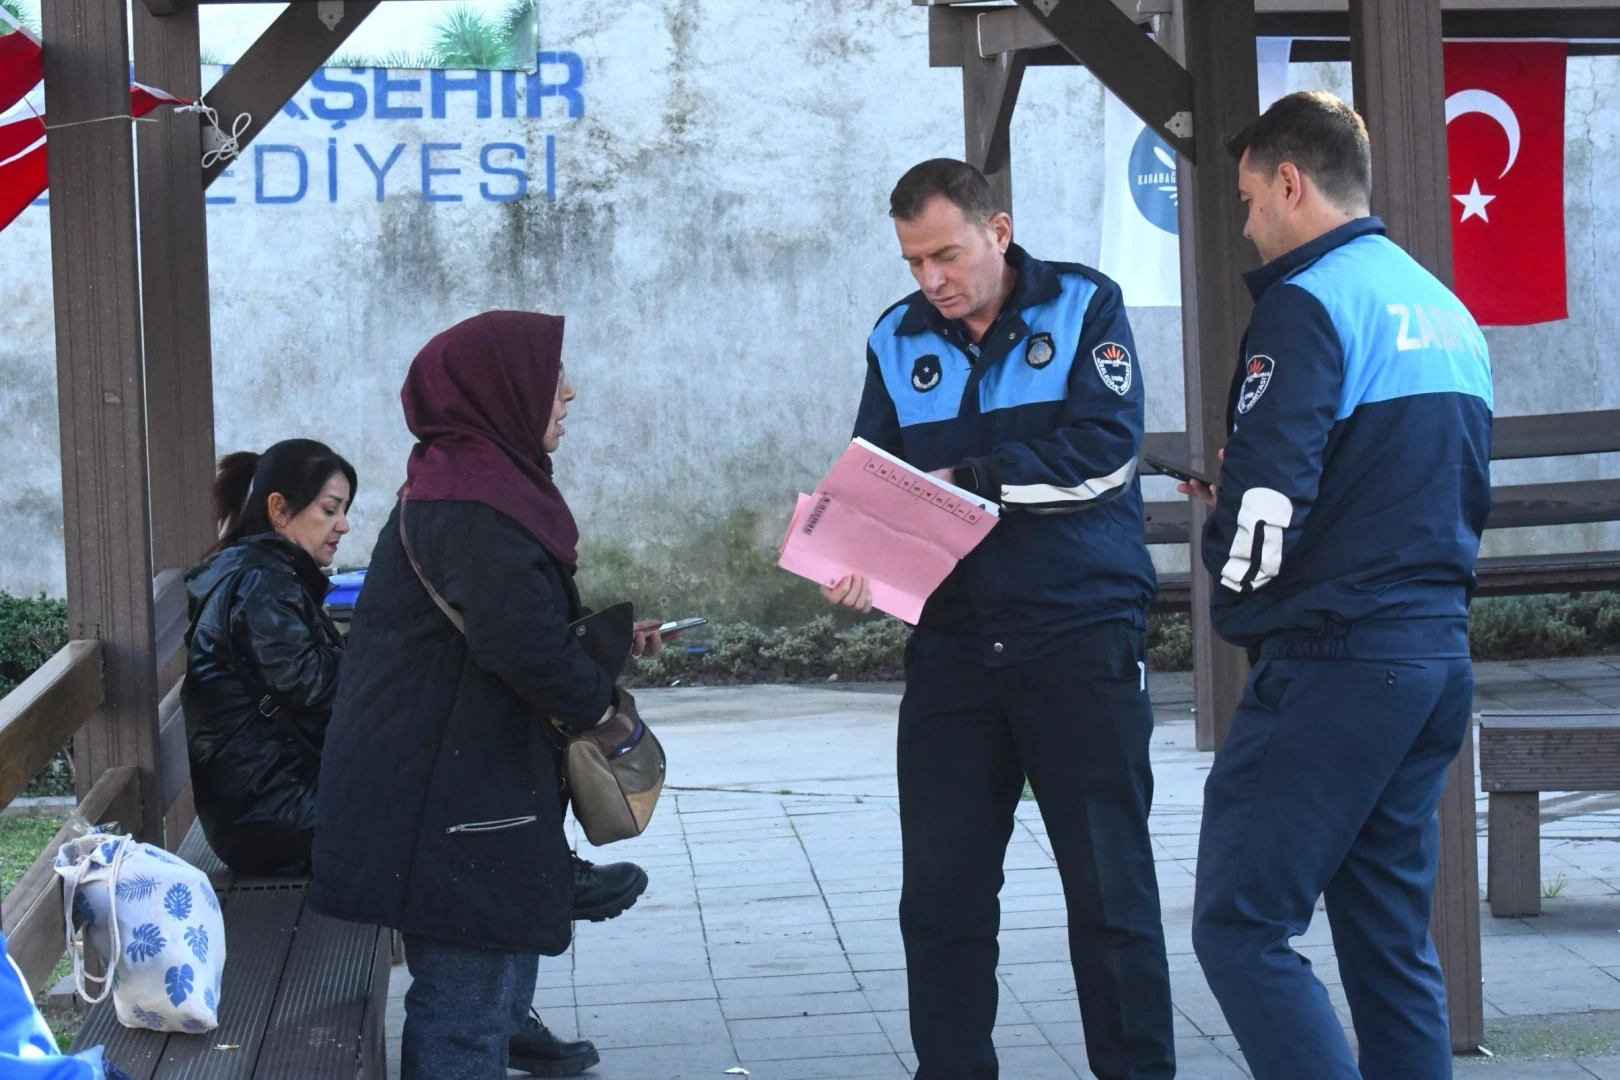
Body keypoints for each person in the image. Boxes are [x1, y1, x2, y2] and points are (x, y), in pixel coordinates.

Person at [826, 159, 1175, 1080]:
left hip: (1077, 635)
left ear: (999, 230)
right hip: (952, 650)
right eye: (912, 263)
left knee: (1110, 894)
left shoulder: (1085, 307)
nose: (931, 280)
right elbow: (879, 475)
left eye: (945, 254)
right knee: (939, 903)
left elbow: (1107, 453)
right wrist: (853, 555)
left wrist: (974, 480)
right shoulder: (898, 339)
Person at [1179, 92, 1492, 1080]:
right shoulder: (1446, 310)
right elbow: (1444, 484)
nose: (1245, 226)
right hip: (1434, 660)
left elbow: (1266, 517)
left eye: (1245, 199)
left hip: (1334, 663)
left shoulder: (1305, 304)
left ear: (1290, 181)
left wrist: (1226, 555)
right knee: (1389, 944)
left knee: (1241, 928)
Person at [308, 311, 663, 1080]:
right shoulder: (476, 503)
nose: (567, 391)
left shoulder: (469, 486)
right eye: (549, 376)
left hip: (451, 789)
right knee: (464, 1013)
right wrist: (603, 715)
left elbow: (502, 623)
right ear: (500, 390)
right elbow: (520, 646)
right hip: (449, 805)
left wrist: (600, 642)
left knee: (482, 986)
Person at [182, 439, 355, 876]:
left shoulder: (263, 572)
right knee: (438, 819)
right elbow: (318, 695)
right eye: (330, 510)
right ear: (278, 509)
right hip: (271, 817)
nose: (344, 525)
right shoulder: (261, 584)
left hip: (258, 804)